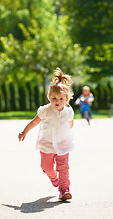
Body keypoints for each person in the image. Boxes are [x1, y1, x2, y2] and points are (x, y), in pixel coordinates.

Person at [18, 68, 74, 201]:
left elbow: (71, 123)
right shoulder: (45, 110)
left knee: (63, 168)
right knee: (46, 167)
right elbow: (34, 122)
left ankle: (64, 189)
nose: (57, 101)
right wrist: (24, 131)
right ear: (49, 97)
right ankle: (53, 177)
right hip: (46, 145)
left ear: (66, 99)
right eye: (54, 98)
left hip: (62, 144)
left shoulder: (68, 112)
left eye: (61, 99)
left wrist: (69, 129)